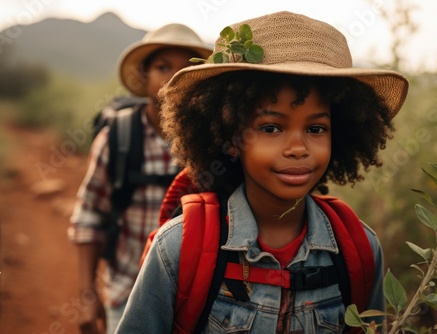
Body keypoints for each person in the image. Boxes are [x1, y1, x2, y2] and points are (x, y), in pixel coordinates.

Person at [116, 11, 409, 333]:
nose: (298, 148)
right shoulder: (178, 247)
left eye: (316, 128)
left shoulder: (360, 248)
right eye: (271, 127)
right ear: (231, 138)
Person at [68, 23, 211, 334]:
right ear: (144, 75)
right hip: (126, 290)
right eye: (162, 67)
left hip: (194, 303)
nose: (173, 78)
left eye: (186, 69)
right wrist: (87, 296)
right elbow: (88, 216)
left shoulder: (212, 144)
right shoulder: (118, 138)